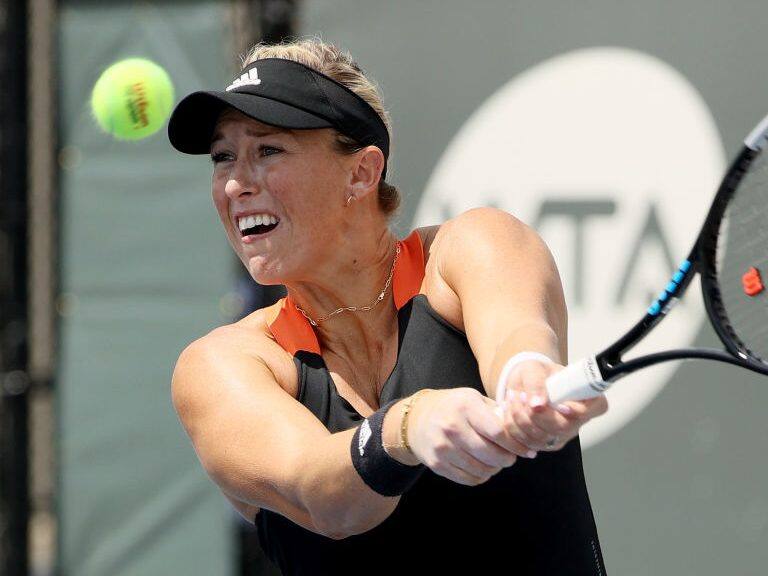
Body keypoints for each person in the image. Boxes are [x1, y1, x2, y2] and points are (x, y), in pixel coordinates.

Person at [168, 39, 608, 575]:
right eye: (222, 158)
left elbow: (520, 340)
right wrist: (407, 426)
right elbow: (323, 496)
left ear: (361, 172)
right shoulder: (223, 367)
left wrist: (529, 380)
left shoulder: (472, 248)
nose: (236, 183)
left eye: (268, 150)